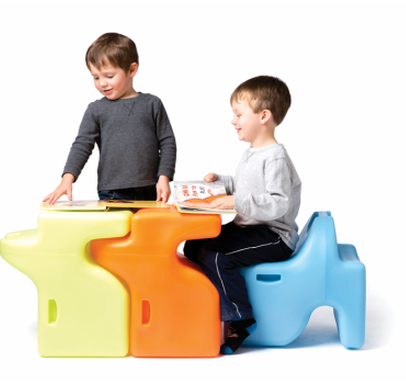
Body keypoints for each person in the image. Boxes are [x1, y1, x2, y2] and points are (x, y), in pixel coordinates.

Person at [183, 75, 301, 354]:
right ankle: (212, 298)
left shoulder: (275, 157)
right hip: (248, 227)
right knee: (193, 245)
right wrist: (220, 182)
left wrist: (236, 201)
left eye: (238, 114)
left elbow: (278, 203)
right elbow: (245, 186)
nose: (233, 121)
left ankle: (241, 318)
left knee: (216, 255)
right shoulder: (252, 153)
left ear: (263, 116)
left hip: (273, 235)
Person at [43, 32, 176, 204]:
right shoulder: (95, 109)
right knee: (117, 231)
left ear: (132, 70)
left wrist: (164, 178)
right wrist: (67, 179)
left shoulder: (152, 104)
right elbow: (82, 145)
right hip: (112, 192)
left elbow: (167, 143)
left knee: (147, 231)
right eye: (96, 77)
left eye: (109, 76)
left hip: (151, 190)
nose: (102, 83)